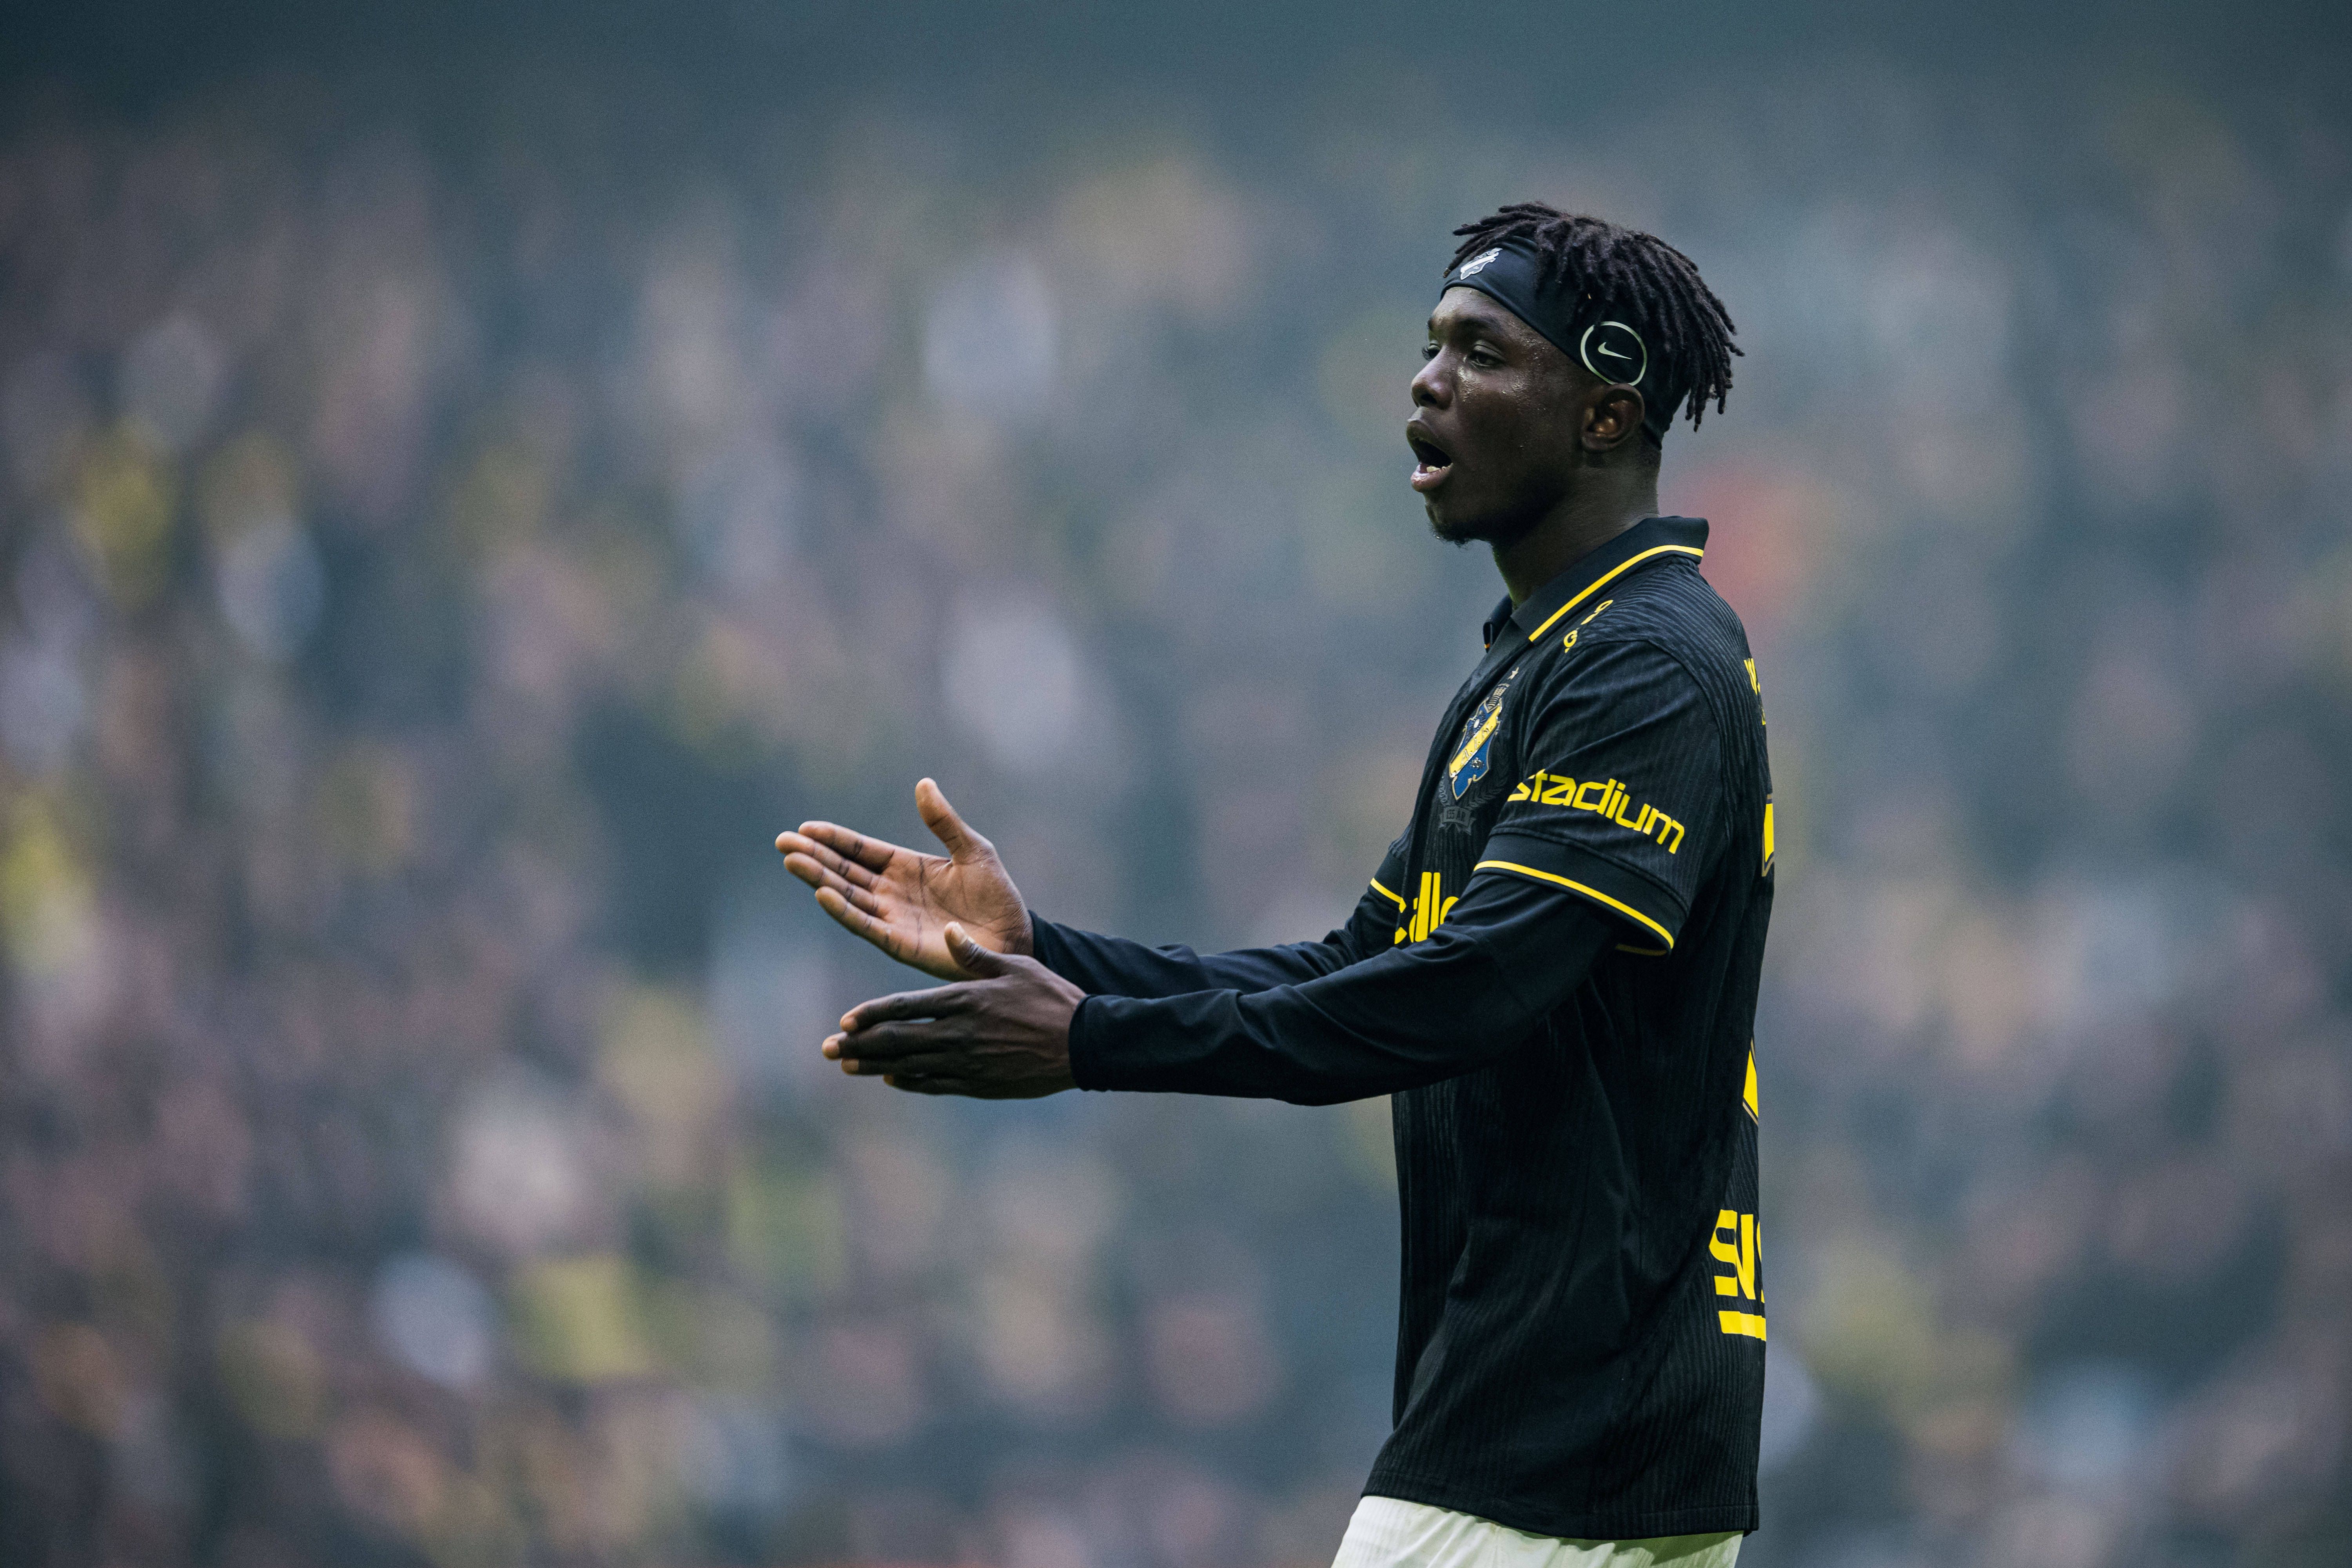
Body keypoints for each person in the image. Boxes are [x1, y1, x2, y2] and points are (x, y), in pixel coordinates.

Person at [777, 203, 1772, 1568]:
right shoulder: (1540, 662)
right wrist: (1049, 953)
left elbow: (1473, 990)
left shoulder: (1643, 662)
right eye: (1432, 347)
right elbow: (1356, 965)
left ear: (1605, 414)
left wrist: (1091, 1041)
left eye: (1483, 354)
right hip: (1566, 1424)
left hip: (1568, 1434)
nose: (1427, 384)